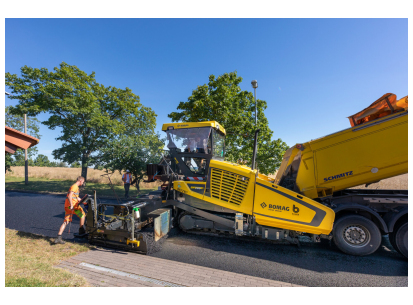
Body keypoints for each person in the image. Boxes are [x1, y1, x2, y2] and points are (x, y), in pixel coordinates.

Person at [54, 176, 86, 244]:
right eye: (83, 182)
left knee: (66, 221)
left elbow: (75, 197)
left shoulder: (76, 187)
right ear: (80, 181)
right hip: (73, 207)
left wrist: (82, 200)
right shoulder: (75, 186)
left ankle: (58, 237)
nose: (82, 183)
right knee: (82, 215)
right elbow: (70, 196)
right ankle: (81, 231)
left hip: (68, 207)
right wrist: (72, 205)